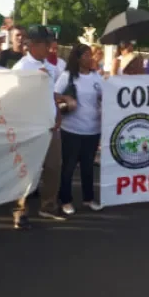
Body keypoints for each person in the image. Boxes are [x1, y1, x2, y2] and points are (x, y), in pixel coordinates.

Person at [13, 26, 73, 227]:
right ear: (35, 44)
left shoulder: (49, 66)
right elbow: (16, 99)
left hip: (50, 125)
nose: (50, 47)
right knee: (27, 169)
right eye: (47, 43)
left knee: (53, 166)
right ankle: (20, 211)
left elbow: (50, 93)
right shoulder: (21, 68)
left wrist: (57, 110)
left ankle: (48, 206)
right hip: (30, 127)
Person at [55, 44, 104, 215]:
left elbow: (106, 96)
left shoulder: (97, 77)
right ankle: (66, 200)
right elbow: (54, 95)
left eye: (91, 55)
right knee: (68, 167)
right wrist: (66, 98)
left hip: (93, 129)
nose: (90, 58)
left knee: (88, 167)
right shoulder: (67, 76)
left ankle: (88, 199)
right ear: (77, 58)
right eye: (86, 55)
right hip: (72, 130)